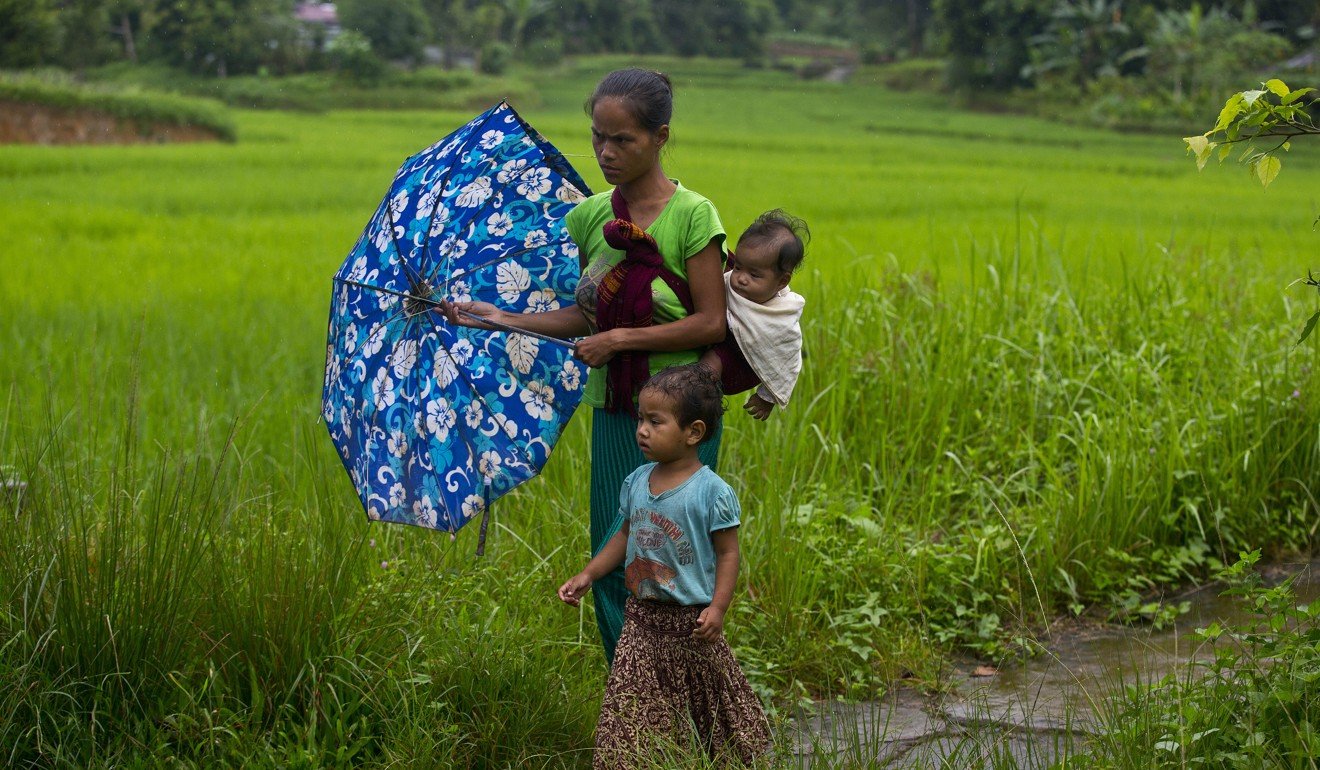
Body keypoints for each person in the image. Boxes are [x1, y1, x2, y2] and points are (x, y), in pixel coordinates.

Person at [442, 68, 728, 664]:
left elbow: (710, 323)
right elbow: (584, 317)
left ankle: (683, 693)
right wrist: (501, 317)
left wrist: (619, 338)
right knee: (616, 556)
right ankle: (631, 699)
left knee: (677, 561)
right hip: (622, 411)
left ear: (660, 137)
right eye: (598, 136)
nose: (605, 151)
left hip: (683, 417)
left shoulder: (694, 215)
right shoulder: (592, 217)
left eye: (622, 140)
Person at [557, 365, 771, 768]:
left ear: (693, 433)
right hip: (640, 620)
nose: (641, 429)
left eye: (655, 421)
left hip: (691, 624)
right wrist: (589, 573)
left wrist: (718, 609)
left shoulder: (711, 492)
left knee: (709, 707)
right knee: (630, 705)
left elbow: (728, 554)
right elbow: (623, 536)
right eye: (641, 418)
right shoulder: (636, 481)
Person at [701, 210, 808, 420]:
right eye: (739, 267)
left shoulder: (781, 316)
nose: (740, 278)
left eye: (754, 274)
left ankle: (700, 411)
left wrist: (767, 397)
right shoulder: (728, 279)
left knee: (707, 368)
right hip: (720, 339)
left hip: (742, 363)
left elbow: (787, 358)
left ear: (781, 281)